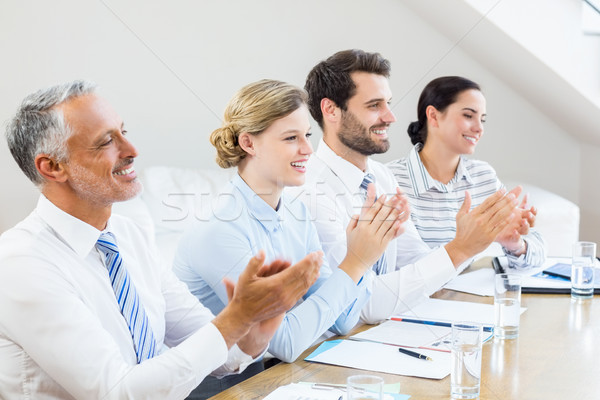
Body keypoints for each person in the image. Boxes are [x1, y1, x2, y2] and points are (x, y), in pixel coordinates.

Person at [0, 80, 322, 400]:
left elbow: (204, 337)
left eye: (124, 132)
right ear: (53, 167)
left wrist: (250, 333)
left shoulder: (127, 235)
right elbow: (118, 392)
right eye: (106, 142)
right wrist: (234, 321)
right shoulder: (21, 264)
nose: (131, 151)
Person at [173, 79, 407, 366]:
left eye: (307, 135)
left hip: (271, 375)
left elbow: (343, 321)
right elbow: (284, 342)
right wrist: (355, 261)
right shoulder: (219, 229)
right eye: (291, 138)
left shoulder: (296, 212)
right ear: (248, 143)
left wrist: (371, 247)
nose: (308, 149)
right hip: (223, 388)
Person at [293, 49, 522, 324]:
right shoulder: (309, 192)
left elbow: (415, 261)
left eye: (388, 103)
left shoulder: (382, 178)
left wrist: (473, 240)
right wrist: (460, 248)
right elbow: (361, 305)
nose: (390, 117)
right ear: (331, 110)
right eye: (374, 105)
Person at [387, 76, 545, 268]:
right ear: (434, 116)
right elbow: (408, 268)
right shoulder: (390, 179)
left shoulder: (483, 176)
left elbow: (539, 256)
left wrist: (515, 244)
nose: (479, 128)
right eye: (468, 116)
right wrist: (466, 244)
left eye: (482, 119)